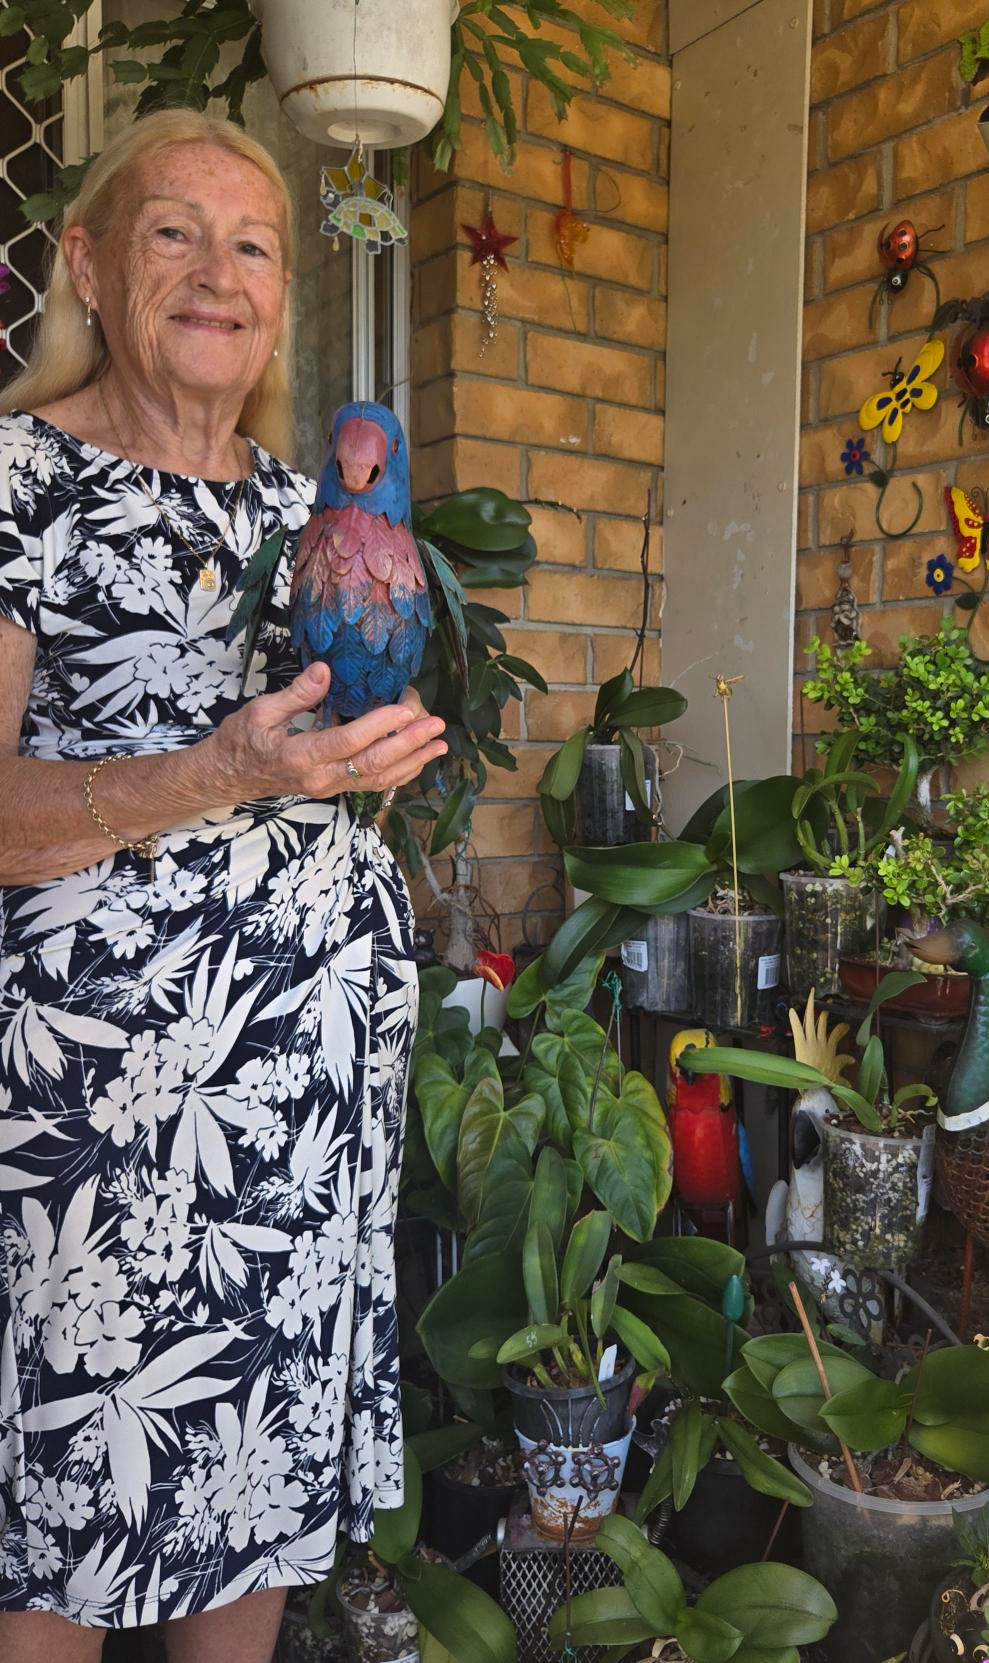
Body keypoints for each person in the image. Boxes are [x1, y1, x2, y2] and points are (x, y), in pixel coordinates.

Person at [0, 109, 447, 1662]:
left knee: (246, 1492)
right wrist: (224, 772)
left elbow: (319, 755)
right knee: (70, 1515)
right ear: (91, 263)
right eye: (172, 231)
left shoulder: (308, 512)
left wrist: (368, 765)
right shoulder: (18, 479)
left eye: (253, 243)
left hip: (301, 1114)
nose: (217, 270)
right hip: (101, 1119)